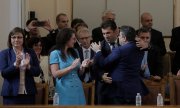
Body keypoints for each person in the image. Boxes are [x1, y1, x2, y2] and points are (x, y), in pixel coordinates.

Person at [91, 25, 149, 105]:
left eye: (119, 36)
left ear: (124, 38)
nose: (118, 38)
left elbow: (104, 63)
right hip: (135, 88)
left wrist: (98, 51)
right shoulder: (141, 48)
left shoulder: (119, 50)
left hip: (119, 89)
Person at [0, 27, 41, 105]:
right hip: (11, 94)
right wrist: (16, 64)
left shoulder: (31, 52)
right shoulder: (4, 53)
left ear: (23, 39)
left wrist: (28, 66)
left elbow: (37, 72)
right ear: (10, 39)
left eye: (19, 37)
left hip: (28, 93)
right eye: (13, 37)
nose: (16, 40)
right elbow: (4, 73)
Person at [49, 28, 86, 105]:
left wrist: (83, 66)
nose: (75, 41)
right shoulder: (55, 53)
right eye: (73, 39)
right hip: (64, 89)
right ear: (66, 39)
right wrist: (71, 67)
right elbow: (55, 74)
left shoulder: (74, 52)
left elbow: (80, 73)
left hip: (78, 88)